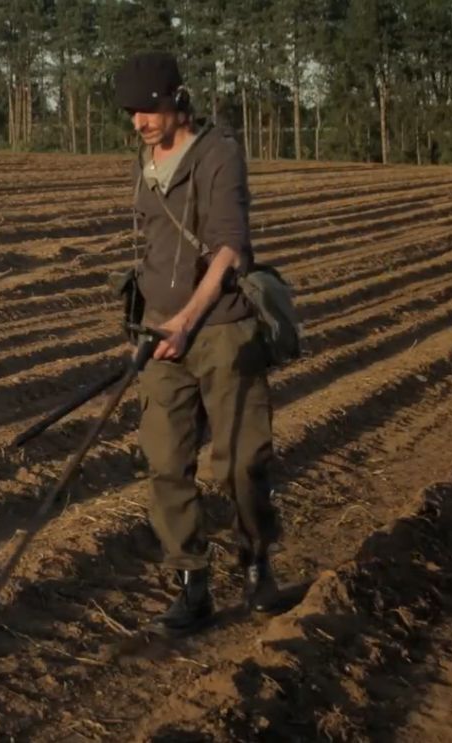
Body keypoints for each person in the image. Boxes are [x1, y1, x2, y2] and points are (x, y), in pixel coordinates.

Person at [113, 51, 282, 636]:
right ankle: (191, 582)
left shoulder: (218, 154)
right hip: (160, 332)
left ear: (177, 101)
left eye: (149, 109)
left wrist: (187, 320)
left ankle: (256, 560)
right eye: (132, 113)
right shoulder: (144, 159)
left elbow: (230, 248)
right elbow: (153, 249)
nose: (140, 122)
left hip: (222, 328)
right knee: (164, 463)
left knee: (242, 464)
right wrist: (147, 322)